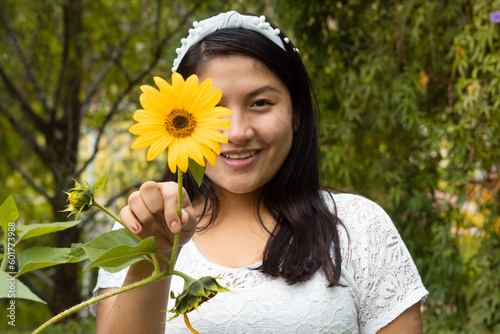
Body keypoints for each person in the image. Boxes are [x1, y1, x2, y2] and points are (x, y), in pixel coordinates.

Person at [93, 11, 428, 334]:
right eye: (214, 110)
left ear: (296, 112)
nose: (237, 132)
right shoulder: (141, 225)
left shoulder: (360, 228)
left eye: (260, 103)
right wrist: (156, 250)